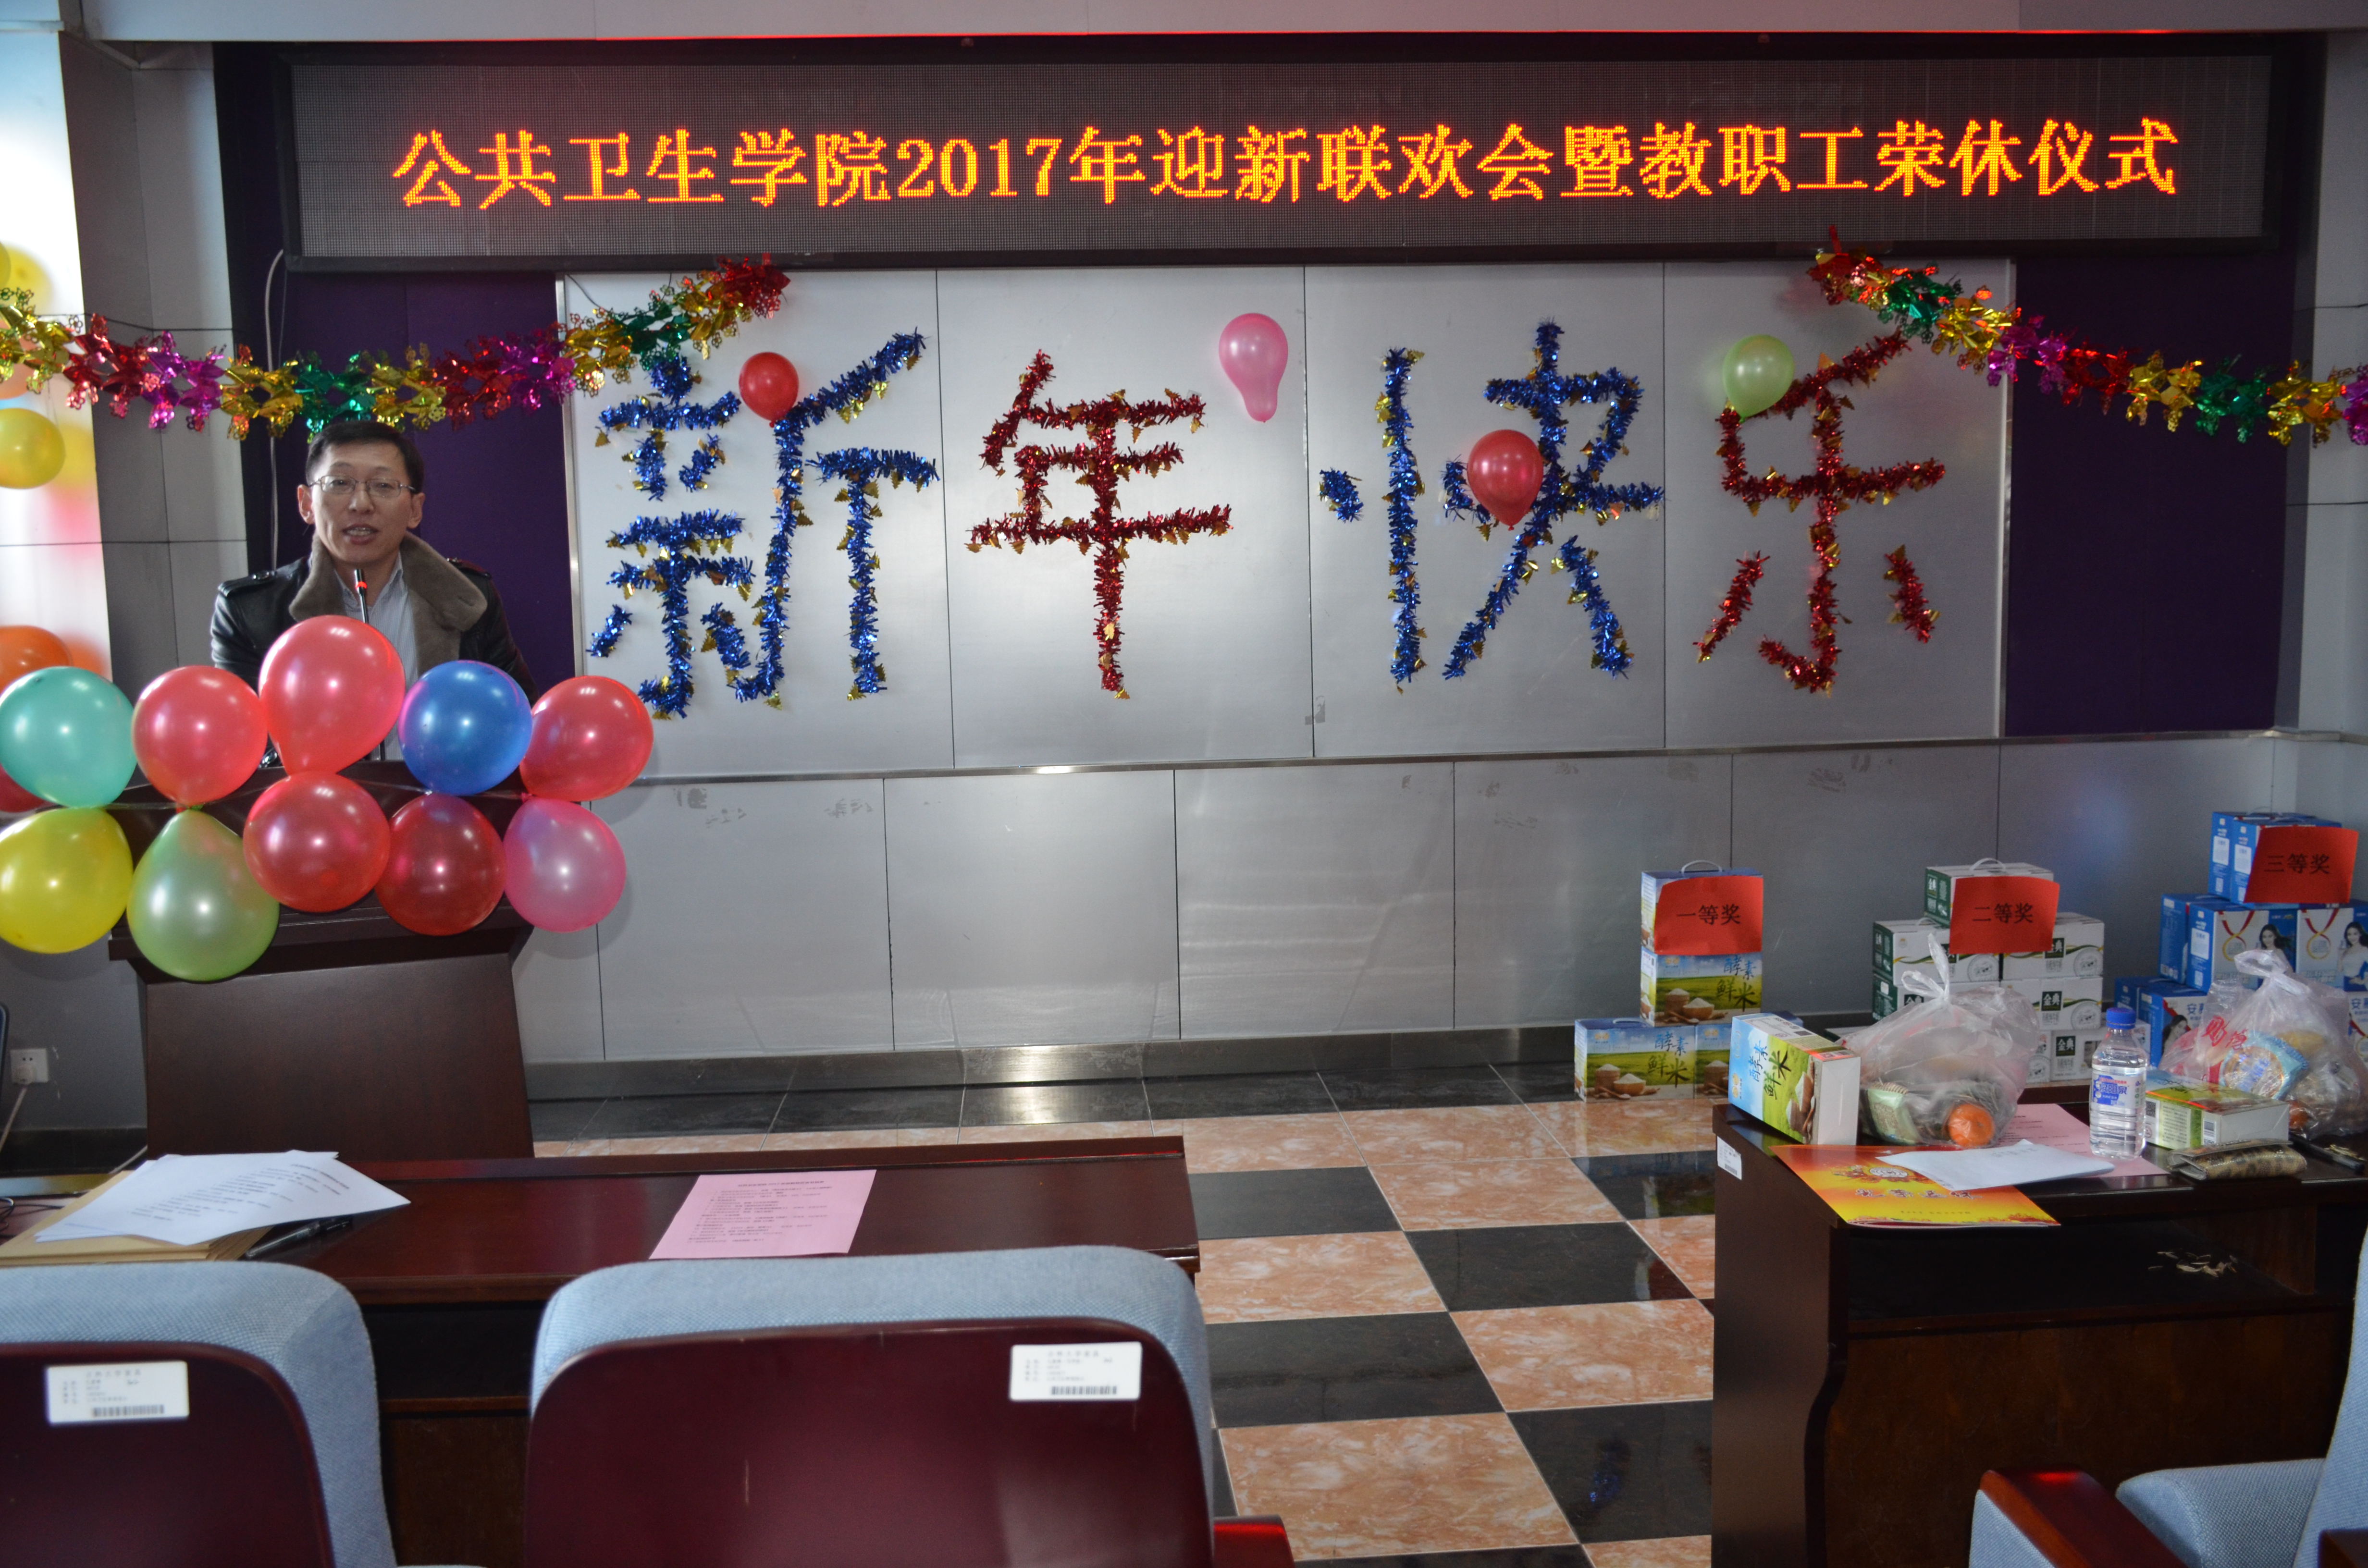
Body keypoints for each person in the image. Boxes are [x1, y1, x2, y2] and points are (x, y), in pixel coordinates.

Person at [210, 420, 536, 703]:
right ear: (306, 503)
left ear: (415, 509)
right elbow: (243, 739)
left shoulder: (470, 597)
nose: (361, 504)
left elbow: (516, 717)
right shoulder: (250, 612)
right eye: (339, 483)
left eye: (383, 486)